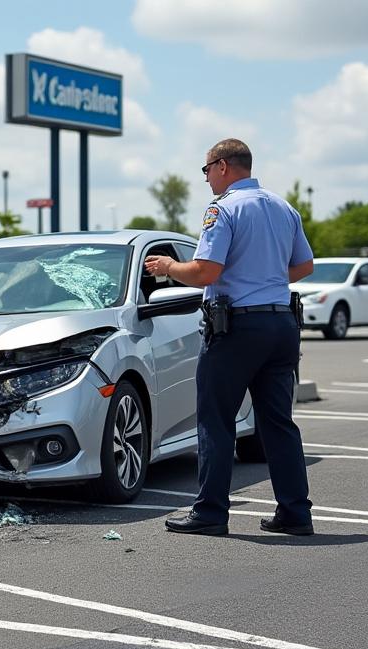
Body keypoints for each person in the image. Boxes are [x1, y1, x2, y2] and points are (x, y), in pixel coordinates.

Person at [144, 139, 316, 536]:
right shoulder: (283, 207)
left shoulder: (223, 208)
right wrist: (265, 277)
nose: (205, 178)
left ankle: (210, 512)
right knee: (278, 423)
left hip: (237, 328)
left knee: (216, 420)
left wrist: (169, 266)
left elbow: (205, 272)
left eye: (205, 170)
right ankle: (295, 513)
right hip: (281, 326)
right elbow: (304, 265)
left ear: (222, 166)